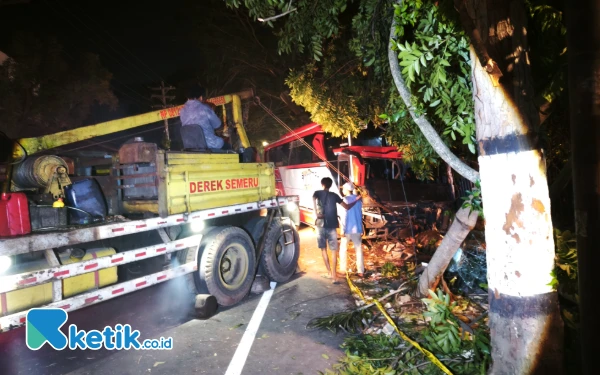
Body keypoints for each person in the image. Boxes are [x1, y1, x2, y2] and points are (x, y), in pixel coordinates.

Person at [313, 177, 361, 284]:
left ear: (322, 184)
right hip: (332, 226)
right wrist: (357, 199)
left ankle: (330, 272)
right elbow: (347, 207)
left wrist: (316, 213)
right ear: (330, 185)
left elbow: (313, 199)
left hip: (320, 225)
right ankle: (334, 276)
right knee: (334, 251)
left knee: (323, 249)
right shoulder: (334, 195)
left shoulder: (317, 193)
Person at [179, 85, 229, 150]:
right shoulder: (204, 108)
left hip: (190, 146)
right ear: (201, 97)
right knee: (227, 146)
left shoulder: (182, 111)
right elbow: (218, 124)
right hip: (208, 144)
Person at [338, 182, 365, 277]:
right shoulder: (358, 200)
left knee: (343, 249)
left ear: (346, 190)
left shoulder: (344, 200)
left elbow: (343, 216)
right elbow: (360, 214)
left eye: (343, 189)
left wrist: (342, 229)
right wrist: (361, 227)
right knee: (358, 250)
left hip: (347, 229)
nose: (342, 190)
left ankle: (342, 269)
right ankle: (360, 271)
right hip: (357, 228)